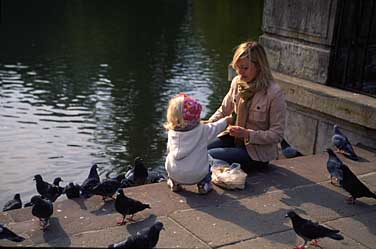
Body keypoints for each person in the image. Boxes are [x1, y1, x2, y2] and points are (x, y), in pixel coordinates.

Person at [207, 41, 286, 173]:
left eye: (244, 68)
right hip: (233, 140)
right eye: (237, 67)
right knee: (198, 149)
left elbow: (277, 134)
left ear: (259, 66)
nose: (240, 73)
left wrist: (248, 134)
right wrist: (207, 125)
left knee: (207, 156)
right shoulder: (237, 82)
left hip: (256, 153)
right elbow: (223, 110)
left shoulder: (274, 93)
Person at [164, 93, 232, 194]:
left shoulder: (171, 132)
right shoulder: (203, 130)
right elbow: (217, 127)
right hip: (197, 175)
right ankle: (204, 185)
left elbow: (169, 150)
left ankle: (174, 183)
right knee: (209, 160)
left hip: (174, 173)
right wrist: (227, 120)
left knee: (170, 158)